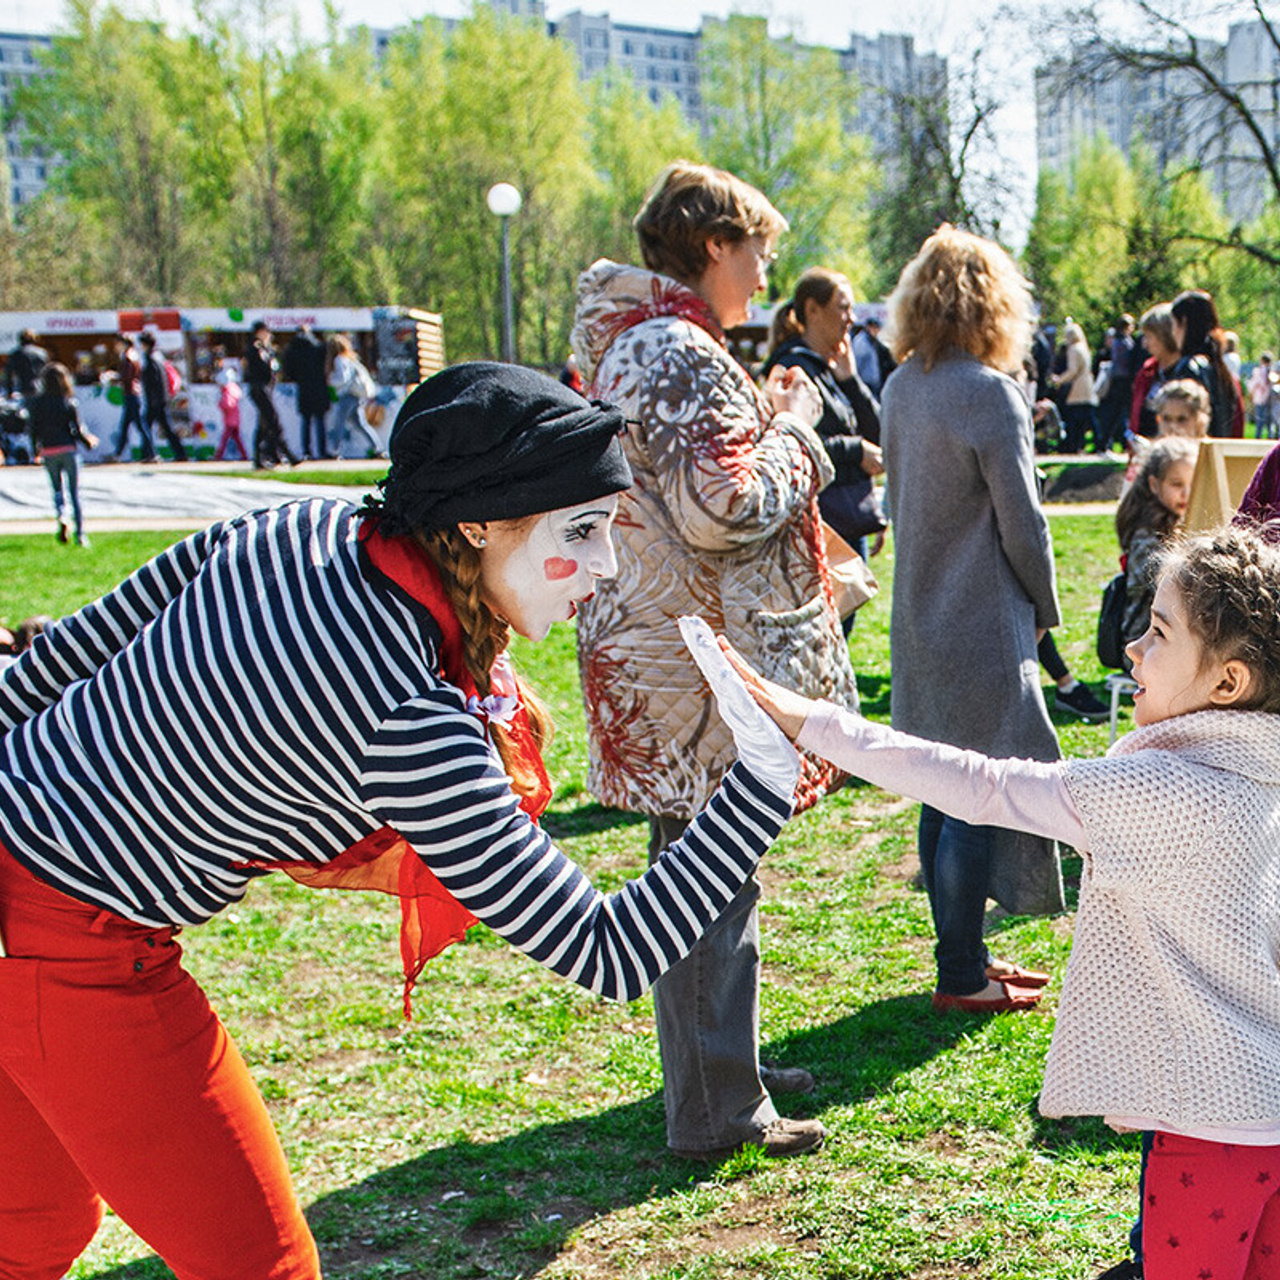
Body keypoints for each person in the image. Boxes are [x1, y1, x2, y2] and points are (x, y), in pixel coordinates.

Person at [0, 361, 799, 1279]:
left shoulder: (308, 525)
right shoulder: (408, 717)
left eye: (609, 529)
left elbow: (60, 656)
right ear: (473, 527)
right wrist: (757, 788)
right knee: (259, 1267)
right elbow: (607, 952)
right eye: (580, 532)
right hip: (73, 949)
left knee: (33, 1231)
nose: (605, 567)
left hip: (30, 897)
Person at [725, 522, 1280, 1280]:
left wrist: (814, 725)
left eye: (1157, 632)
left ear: (1227, 682)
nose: (1133, 651)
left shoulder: (1163, 791)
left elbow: (981, 786)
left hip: (1209, 1124)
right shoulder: (1265, 770)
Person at [571, 160, 858, 1161]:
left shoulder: (647, 343)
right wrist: (794, 428)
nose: (764, 269)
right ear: (711, 246)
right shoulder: (676, 351)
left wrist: (760, 410)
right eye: (757, 250)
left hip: (667, 649)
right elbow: (725, 505)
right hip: (693, 663)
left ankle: (722, 1066)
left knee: (707, 874)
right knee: (707, 881)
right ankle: (716, 1106)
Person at [881, 224, 1063, 1014]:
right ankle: (961, 974)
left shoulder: (899, 387)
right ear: (995, 306)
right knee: (975, 794)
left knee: (940, 791)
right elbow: (1024, 524)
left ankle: (966, 956)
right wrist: (1046, 612)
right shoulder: (990, 394)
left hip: (919, 616)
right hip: (981, 619)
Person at [762, 267, 886, 569]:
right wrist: (855, 449)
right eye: (842, 307)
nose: (851, 318)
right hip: (818, 527)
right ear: (812, 310)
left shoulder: (832, 371)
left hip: (846, 520)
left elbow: (880, 432)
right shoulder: (791, 369)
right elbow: (788, 441)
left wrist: (850, 380)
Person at [1115, 436, 1198, 654]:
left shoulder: (1187, 523)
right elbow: (1170, 584)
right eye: (1176, 484)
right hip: (1143, 642)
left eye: (1193, 484)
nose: (1185, 494)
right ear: (1154, 484)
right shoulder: (1146, 535)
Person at [26, 362, 98, 548]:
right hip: (68, 449)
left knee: (57, 490)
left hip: (48, 450)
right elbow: (76, 429)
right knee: (74, 493)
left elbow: (33, 429)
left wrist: (35, 450)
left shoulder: (38, 403)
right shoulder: (68, 402)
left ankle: (62, 514)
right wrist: (88, 442)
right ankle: (81, 534)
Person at [1169, 289, 1245, 438]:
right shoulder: (1221, 369)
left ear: (1183, 322)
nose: (1172, 333)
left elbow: (1182, 427)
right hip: (1218, 455)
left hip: (1194, 456)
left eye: (1173, 324)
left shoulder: (1189, 368)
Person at [244, 321, 297, 469]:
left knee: (264, 425)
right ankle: (287, 454)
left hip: (265, 389)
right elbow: (264, 367)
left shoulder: (263, 348)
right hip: (260, 388)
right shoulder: (256, 347)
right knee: (273, 422)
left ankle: (263, 457)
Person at [1128, 304, 1181, 441]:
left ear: (1165, 335)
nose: (1144, 344)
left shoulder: (1187, 372)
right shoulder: (1147, 372)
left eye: (1148, 337)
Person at [137, 332, 187, 462]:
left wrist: (153, 400)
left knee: (147, 426)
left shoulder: (151, 360)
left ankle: (151, 454)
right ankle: (178, 453)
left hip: (156, 402)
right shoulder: (157, 358)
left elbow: (154, 381)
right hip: (160, 400)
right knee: (163, 427)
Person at [283, 325, 331, 459]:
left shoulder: (292, 350)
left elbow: (288, 371)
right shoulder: (319, 348)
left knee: (306, 421)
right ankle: (322, 451)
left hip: (303, 387)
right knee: (320, 421)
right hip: (319, 386)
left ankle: (306, 451)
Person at [1051, 321, 1100, 453]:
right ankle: (1097, 443)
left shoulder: (1073, 349)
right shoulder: (1084, 347)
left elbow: (1072, 370)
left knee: (1073, 418)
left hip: (1077, 386)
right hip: (1087, 383)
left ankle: (1072, 446)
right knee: (1088, 416)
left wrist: (1059, 379)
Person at [108, 334, 154, 463]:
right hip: (133, 394)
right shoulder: (134, 355)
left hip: (131, 395)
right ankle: (117, 453)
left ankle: (151, 453)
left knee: (139, 426)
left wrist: (116, 378)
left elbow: (127, 376)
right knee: (126, 426)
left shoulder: (128, 356)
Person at [328, 334, 374, 457]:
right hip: (357, 395)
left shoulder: (339, 360)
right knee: (360, 423)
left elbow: (343, 379)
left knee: (339, 423)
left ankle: (334, 450)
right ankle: (377, 447)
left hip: (347, 395)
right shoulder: (350, 359)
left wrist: (331, 381)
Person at [1097, 314, 1136, 451]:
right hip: (1123, 381)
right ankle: (1109, 443)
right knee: (1121, 414)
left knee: (1116, 414)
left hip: (1118, 380)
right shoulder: (1124, 342)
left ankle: (1107, 442)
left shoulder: (1117, 342)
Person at [213, 348, 247, 461]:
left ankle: (219, 455)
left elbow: (228, 404)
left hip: (230, 418)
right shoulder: (235, 388)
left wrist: (220, 404)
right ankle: (243, 454)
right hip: (233, 417)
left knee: (226, 437)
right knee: (236, 438)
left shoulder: (228, 390)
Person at [4, 329, 48, 403]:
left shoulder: (15, 354)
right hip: (40, 388)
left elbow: (9, 374)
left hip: (22, 388)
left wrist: (9, 392)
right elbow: (47, 372)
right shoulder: (42, 353)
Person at [1249, 351, 1276, 439]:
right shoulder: (1272, 371)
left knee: (1260, 419)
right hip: (1270, 398)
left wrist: (1251, 395)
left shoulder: (1258, 371)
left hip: (1261, 398)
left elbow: (1253, 384)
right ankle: (1270, 436)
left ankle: (1259, 436)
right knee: (1269, 420)